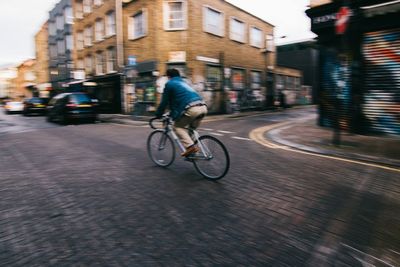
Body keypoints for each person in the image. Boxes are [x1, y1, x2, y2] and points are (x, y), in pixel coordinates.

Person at [155, 69, 207, 157]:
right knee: (191, 130)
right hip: (203, 107)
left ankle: (191, 148)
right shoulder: (184, 83)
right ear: (178, 76)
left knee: (177, 127)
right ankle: (195, 152)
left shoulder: (170, 84)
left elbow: (164, 102)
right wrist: (172, 113)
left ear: (168, 77)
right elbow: (177, 102)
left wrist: (158, 114)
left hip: (192, 109)